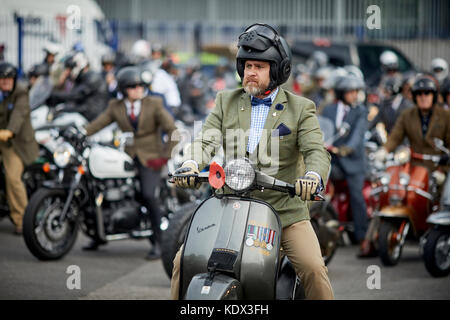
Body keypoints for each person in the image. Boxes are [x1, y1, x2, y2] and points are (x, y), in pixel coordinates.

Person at [170, 23, 334, 300]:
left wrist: (313, 178)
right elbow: (205, 140)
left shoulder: (300, 108)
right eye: (247, 66)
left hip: (284, 211)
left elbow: (317, 151)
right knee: (182, 261)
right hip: (230, 208)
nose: (251, 72)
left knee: (314, 268)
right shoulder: (226, 100)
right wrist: (190, 164)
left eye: (260, 66)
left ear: (278, 70)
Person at [83, 66, 177, 260]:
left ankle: (158, 242)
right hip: (126, 156)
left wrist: (165, 156)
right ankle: (99, 234)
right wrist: (80, 133)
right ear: (124, 89)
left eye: (140, 85)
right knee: (98, 187)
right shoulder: (115, 106)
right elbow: (97, 124)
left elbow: (173, 130)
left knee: (148, 195)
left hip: (151, 157)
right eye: (133, 86)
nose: (138, 89)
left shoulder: (155, 103)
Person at [320, 75, 369, 255]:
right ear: (341, 93)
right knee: (318, 187)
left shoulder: (361, 111)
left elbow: (358, 135)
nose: (354, 95)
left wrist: (346, 149)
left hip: (352, 160)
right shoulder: (329, 109)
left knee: (357, 197)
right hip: (331, 158)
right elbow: (320, 127)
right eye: (350, 92)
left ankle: (363, 238)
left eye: (356, 91)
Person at [375, 74, 450, 175]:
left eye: (427, 93)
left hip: (439, 168)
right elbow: (395, 136)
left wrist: (443, 170)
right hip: (415, 167)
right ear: (414, 97)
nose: (423, 97)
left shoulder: (445, 116)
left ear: (434, 95)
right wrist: (384, 150)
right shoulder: (407, 115)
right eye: (419, 94)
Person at [0, 62, 39, 234]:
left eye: (9, 78)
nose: (6, 82)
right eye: (2, 78)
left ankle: (22, 219)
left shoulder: (21, 92)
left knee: (13, 178)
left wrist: (9, 131)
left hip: (16, 144)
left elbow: (18, 115)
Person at [47, 52, 109, 121]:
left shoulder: (92, 78)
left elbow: (75, 95)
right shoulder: (82, 78)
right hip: (85, 111)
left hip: (92, 116)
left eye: (71, 68)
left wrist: (52, 94)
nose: (69, 71)